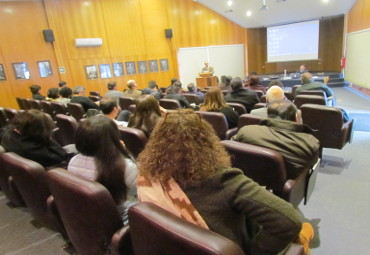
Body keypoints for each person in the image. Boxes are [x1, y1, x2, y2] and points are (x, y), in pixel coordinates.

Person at [137, 110, 312, 255]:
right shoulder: (224, 180)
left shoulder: (149, 176)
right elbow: (289, 221)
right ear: (206, 141)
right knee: (305, 230)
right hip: (231, 248)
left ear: (157, 143)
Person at [67, 115, 138, 225]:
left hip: (88, 211)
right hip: (116, 215)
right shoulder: (124, 166)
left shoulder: (73, 161)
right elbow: (141, 186)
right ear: (113, 139)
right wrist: (124, 151)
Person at [232, 100, 320, 179]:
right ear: (296, 118)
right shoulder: (310, 143)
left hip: (249, 181)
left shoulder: (246, 131)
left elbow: (231, 148)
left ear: (268, 116)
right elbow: (310, 167)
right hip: (285, 191)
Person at [1, 110, 69, 168]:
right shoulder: (36, 151)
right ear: (39, 131)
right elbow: (63, 156)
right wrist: (47, 138)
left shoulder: (7, 134)